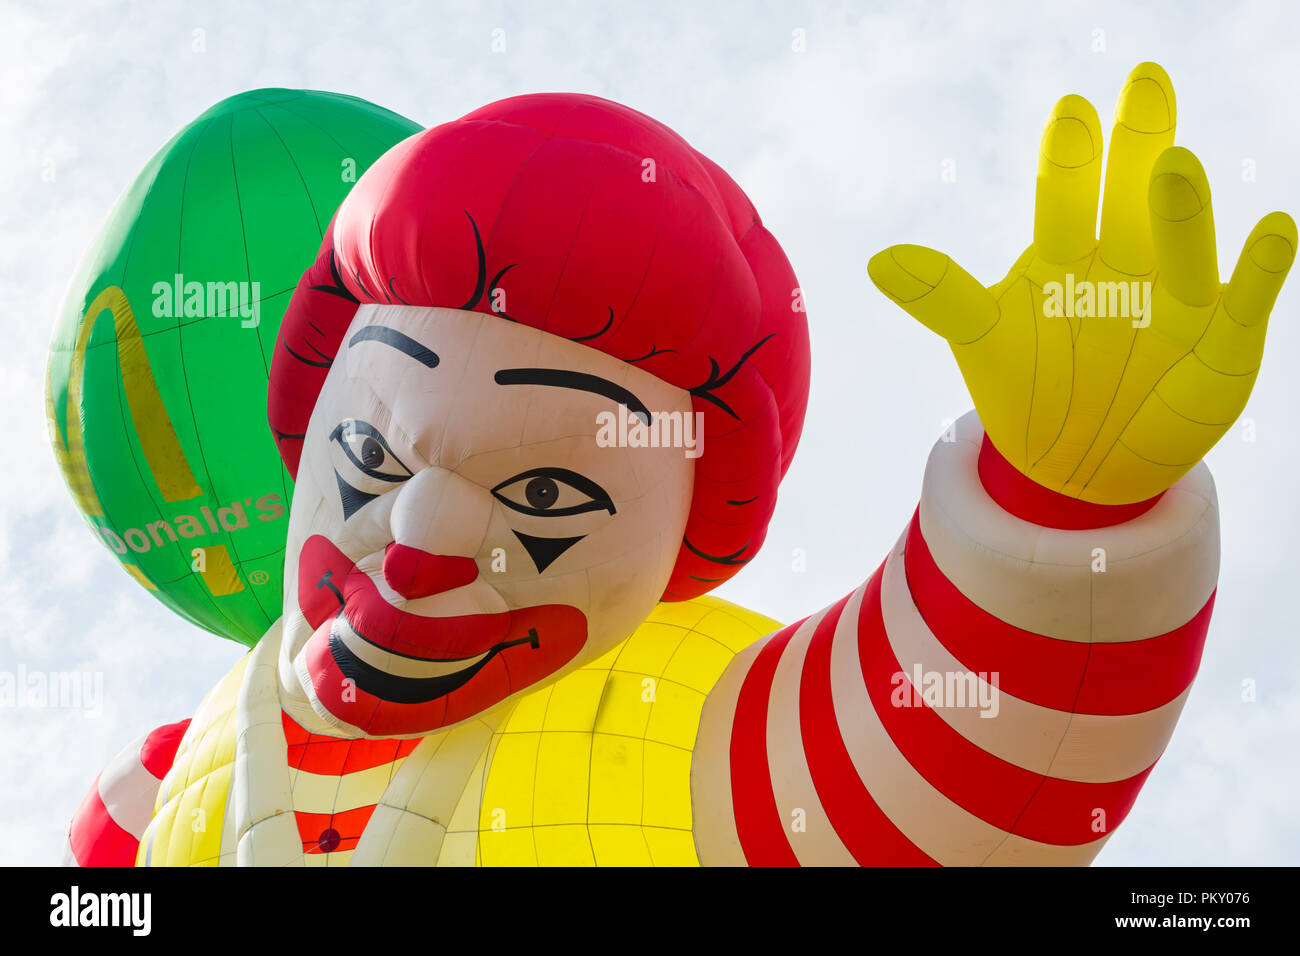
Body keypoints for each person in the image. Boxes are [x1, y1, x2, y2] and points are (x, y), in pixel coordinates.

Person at [66, 62, 1295, 866]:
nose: (426, 540)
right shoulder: (174, 781)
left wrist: (1061, 500)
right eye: (374, 456)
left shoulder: (709, 722)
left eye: (544, 494)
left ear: (677, 536)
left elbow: (951, 759)